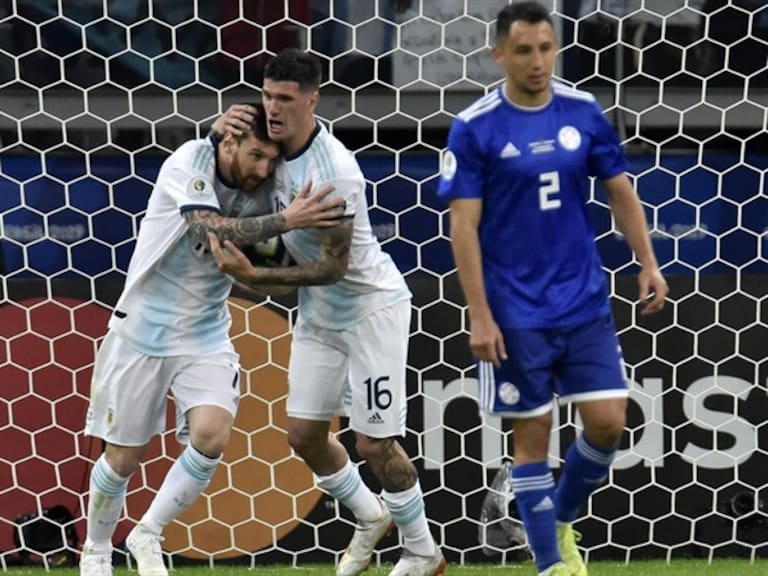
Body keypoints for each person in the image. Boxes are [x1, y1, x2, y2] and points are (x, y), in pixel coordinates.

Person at [438, 3, 668, 576]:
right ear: (499, 54)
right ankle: (550, 566)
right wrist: (480, 315)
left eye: (546, 48)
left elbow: (620, 189)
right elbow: (462, 225)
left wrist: (648, 262)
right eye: (524, 51)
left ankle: (561, 520)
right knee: (533, 436)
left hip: (583, 300)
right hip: (515, 312)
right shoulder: (475, 127)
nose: (538, 61)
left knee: (610, 423)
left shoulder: (583, 110)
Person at [79, 103, 345, 576]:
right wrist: (289, 221)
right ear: (228, 141)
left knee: (211, 435)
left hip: (204, 334)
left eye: (271, 160)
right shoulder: (189, 162)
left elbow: (277, 279)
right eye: (256, 156)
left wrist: (259, 273)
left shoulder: (268, 193)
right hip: (141, 330)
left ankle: (148, 533)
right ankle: (96, 551)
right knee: (122, 458)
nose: (262, 170)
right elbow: (208, 225)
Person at [207, 50, 445, 576]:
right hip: (320, 314)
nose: (272, 107)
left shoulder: (334, 170)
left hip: (368, 309)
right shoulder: (265, 147)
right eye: (268, 94)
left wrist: (255, 278)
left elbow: (334, 267)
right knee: (304, 435)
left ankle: (423, 550)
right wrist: (214, 136)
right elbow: (224, 185)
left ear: (312, 100)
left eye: (285, 99)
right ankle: (368, 514)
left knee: (374, 442)